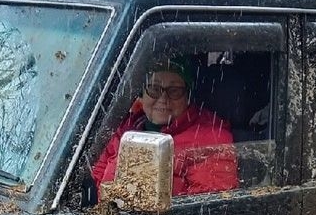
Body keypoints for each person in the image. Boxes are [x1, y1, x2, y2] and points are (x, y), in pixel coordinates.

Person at [92, 58, 237, 196]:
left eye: (174, 91)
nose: (162, 99)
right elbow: (94, 179)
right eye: (154, 89)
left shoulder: (211, 138)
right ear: (142, 94)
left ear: (188, 97)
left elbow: (207, 208)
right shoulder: (123, 127)